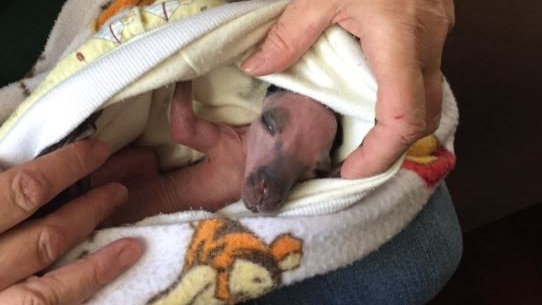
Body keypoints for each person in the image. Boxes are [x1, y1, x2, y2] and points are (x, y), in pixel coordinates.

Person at [0, 0, 460, 304]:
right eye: (274, 129)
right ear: (264, 110)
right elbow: (180, 125)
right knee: (414, 259)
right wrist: (183, 74)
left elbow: (183, 130)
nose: (270, 183)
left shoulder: (231, 141)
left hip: (129, 207)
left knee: (420, 251)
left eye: (304, 170)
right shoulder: (229, 141)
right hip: (114, 208)